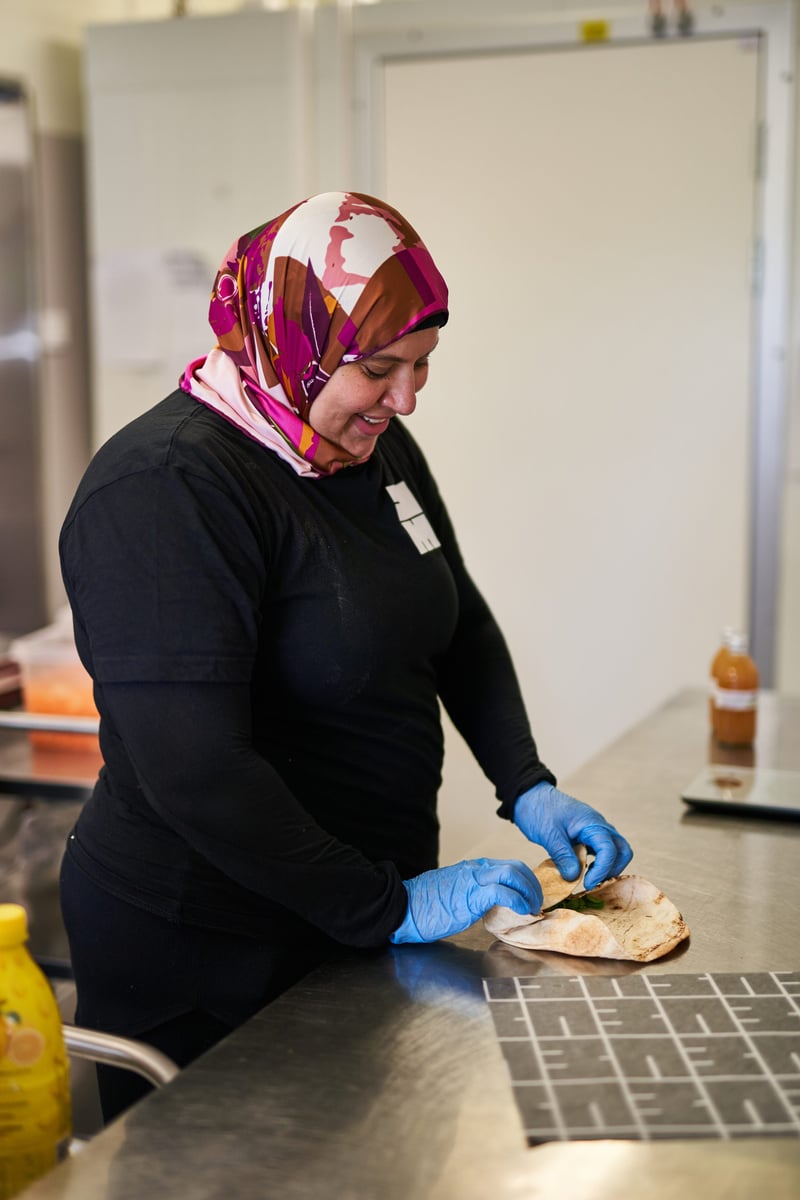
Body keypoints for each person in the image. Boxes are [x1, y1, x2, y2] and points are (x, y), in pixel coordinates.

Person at [58, 191, 632, 1122]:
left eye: (422, 363)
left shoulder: (368, 448)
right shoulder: (166, 488)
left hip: (353, 914)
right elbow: (195, 769)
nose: (405, 399)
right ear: (289, 341)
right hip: (209, 945)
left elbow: (458, 622)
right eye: (377, 369)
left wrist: (525, 781)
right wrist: (387, 907)